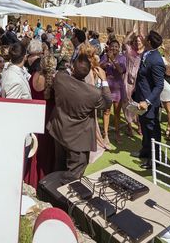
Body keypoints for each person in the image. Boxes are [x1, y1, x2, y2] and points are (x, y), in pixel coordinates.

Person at [48, 54, 112, 182]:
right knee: (73, 178)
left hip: (59, 132)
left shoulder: (60, 78)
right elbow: (108, 102)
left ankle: (53, 195)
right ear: (89, 72)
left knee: (58, 168)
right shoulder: (94, 93)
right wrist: (104, 80)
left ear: (72, 68)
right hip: (78, 141)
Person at [24, 40, 57, 188]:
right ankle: (44, 181)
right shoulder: (54, 81)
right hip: (48, 118)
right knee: (46, 152)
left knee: (34, 150)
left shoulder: (33, 77)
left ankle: (31, 180)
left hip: (34, 116)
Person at [132, 30, 165, 169]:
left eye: (146, 38)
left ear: (150, 42)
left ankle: (154, 159)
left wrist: (148, 101)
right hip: (140, 99)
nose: (143, 39)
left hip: (149, 103)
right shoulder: (147, 54)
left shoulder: (156, 60)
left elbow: (159, 85)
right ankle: (145, 152)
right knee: (144, 128)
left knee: (152, 131)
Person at [100, 39, 126, 143]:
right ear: (109, 47)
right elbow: (98, 67)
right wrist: (106, 62)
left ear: (119, 48)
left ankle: (117, 133)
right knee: (106, 111)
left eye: (116, 46)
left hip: (118, 88)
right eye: (112, 46)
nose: (114, 48)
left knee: (117, 113)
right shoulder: (105, 56)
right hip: (107, 87)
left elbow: (121, 70)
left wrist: (113, 60)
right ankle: (105, 134)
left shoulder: (122, 58)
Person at [123, 32, 146, 137]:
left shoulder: (145, 53)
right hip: (128, 81)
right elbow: (124, 42)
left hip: (139, 81)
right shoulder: (129, 51)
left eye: (140, 41)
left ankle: (140, 125)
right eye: (136, 41)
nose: (138, 43)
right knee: (128, 103)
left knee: (138, 103)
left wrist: (142, 35)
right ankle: (129, 125)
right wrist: (132, 32)